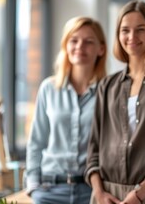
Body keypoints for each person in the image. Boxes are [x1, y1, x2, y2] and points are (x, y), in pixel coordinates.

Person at [85, 0, 145, 204]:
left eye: (140, 30)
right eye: (125, 30)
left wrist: (140, 193)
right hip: (105, 194)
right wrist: (99, 193)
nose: (132, 37)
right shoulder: (107, 86)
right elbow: (93, 146)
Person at [26, 16, 107, 204]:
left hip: (91, 191)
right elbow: (37, 141)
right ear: (65, 45)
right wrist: (33, 186)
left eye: (88, 42)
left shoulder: (108, 91)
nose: (80, 46)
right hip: (49, 190)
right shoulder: (48, 88)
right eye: (74, 40)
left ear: (101, 49)